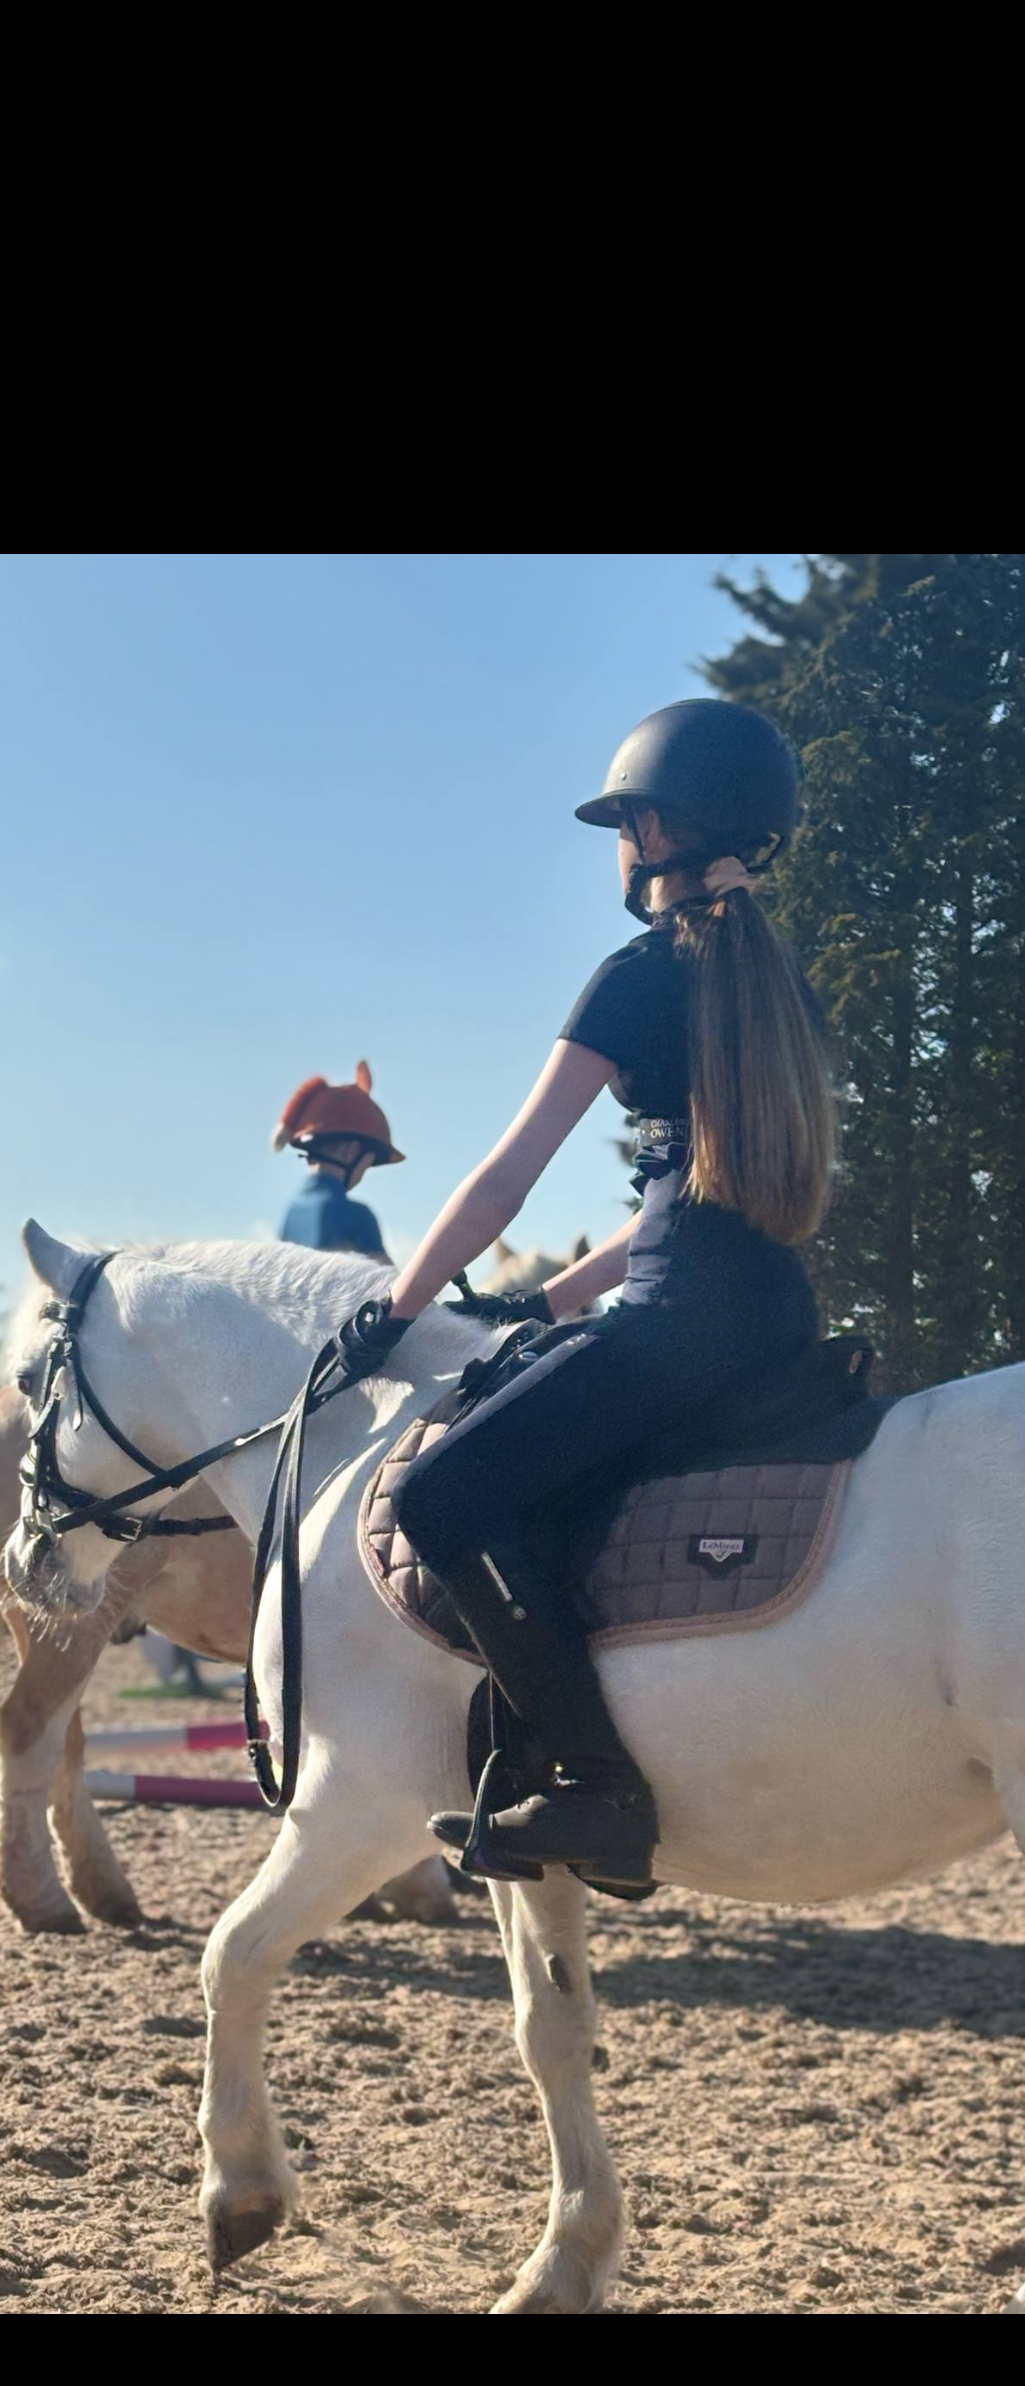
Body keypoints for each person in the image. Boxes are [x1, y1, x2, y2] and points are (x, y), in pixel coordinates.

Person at [329, 700, 835, 1890]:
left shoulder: (641, 973)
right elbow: (692, 1192)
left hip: (676, 1330)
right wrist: (553, 1301)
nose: (618, 843)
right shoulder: (779, 986)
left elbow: (506, 1173)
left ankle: (593, 1784)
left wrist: (393, 1311)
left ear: (658, 826)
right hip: (767, 1322)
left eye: (622, 820)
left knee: (445, 1497)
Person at [275, 1061, 401, 1259]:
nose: (362, 1175)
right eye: (366, 1166)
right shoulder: (358, 1216)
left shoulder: (291, 1214)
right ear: (351, 1152)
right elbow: (393, 1288)